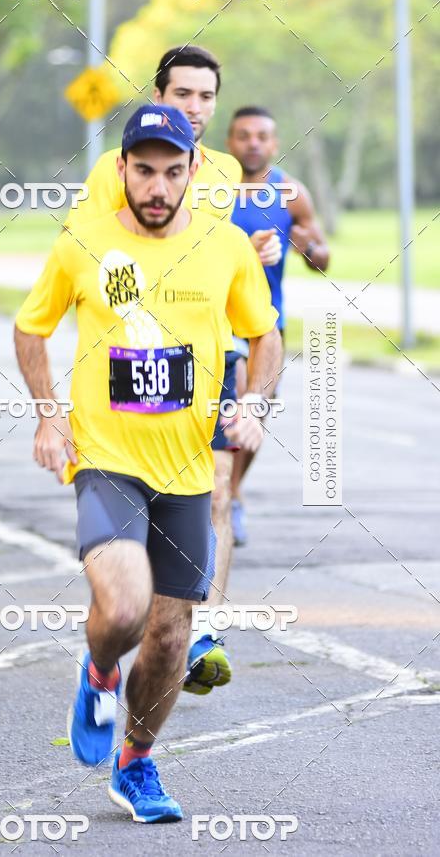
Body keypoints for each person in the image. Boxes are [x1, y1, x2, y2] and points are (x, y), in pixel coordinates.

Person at [15, 105, 281, 823]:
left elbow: (265, 334)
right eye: (144, 170)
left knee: (170, 635)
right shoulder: (84, 242)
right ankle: (99, 672)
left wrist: (254, 401)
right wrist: (47, 413)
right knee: (127, 608)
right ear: (122, 169)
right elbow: (31, 325)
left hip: (190, 471)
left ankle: (135, 762)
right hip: (107, 458)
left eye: (172, 170)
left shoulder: (224, 247)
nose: (157, 186)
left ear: (193, 170)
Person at [66, 45, 281, 696]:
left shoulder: (221, 171)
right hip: (134, 355)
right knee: (132, 496)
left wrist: (253, 251)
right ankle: (118, 623)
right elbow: (99, 251)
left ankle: (204, 628)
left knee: (218, 486)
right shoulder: (116, 168)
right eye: (182, 94)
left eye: (206, 96)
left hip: (214, 355)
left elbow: (225, 261)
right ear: (159, 95)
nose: (195, 107)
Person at [226, 106, 330, 544]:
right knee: (230, 404)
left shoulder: (291, 193)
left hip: (269, 323)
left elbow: (321, 260)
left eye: (262, 136)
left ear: (274, 142)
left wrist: (312, 249)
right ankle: (214, 494)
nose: (253, 143)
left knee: (256, 410)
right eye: (244, 135)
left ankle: (230, 493)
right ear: (230, 142)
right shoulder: (211, 186)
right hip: (217, 319)